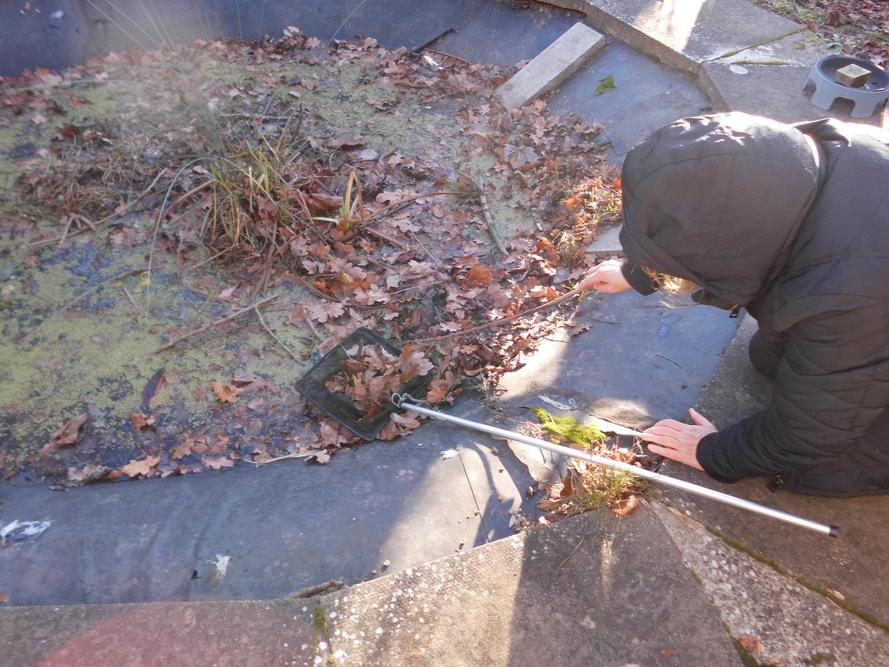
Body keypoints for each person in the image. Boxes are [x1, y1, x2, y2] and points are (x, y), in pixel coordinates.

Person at [578, 112, 889, 497]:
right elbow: (726, 221)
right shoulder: (804, 157)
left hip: (869, 297)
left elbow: (808, 433)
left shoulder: (848, 296)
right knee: (770, 360)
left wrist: (715, 454)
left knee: (827, 467)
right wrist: (640, 271)